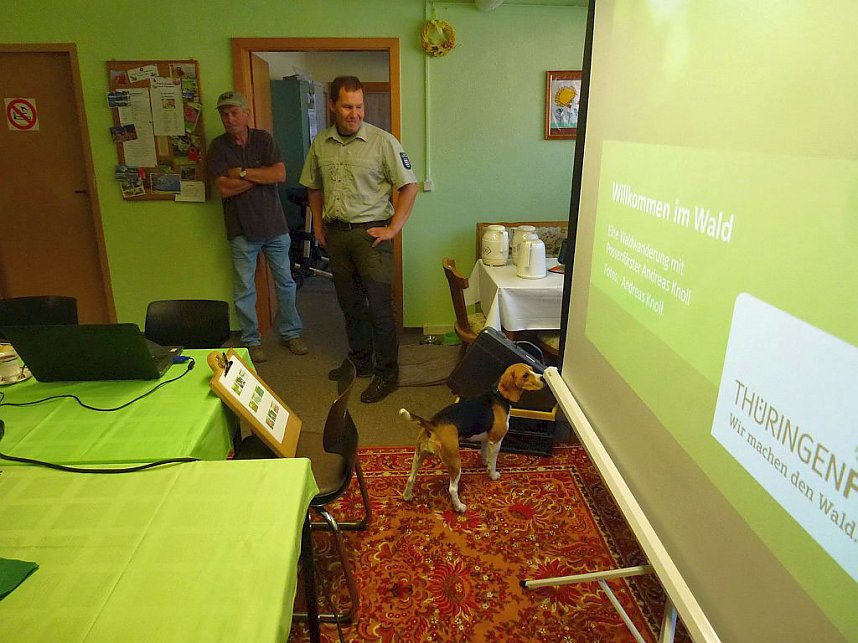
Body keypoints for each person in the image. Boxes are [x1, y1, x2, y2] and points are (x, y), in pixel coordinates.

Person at [299, 76, 418, 403]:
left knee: (379, 307)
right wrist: (319, 229)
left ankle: (387, 373)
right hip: (336, 235)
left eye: (359, 106)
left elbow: (409, 186)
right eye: (348, 106)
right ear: (333, 106)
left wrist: (393, 228)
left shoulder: (383, 142)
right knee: (350, 305)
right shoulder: (321, 144)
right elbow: (313, 187)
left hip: (371, 237)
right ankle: (361, 362)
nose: (355, 113)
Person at [208, 90, 308, 363]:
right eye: (224, 114)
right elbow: (224, 189)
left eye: (234, 112)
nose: (229, 119)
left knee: (285, 283)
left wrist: (241, 173)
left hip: (275, 227)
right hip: (241, 231)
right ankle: (252, 341)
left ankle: (291, 333)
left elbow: (279, 174)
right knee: (244, 289)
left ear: (246, 113)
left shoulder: (263, 139)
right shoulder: (218, 147)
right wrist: (260, 177)